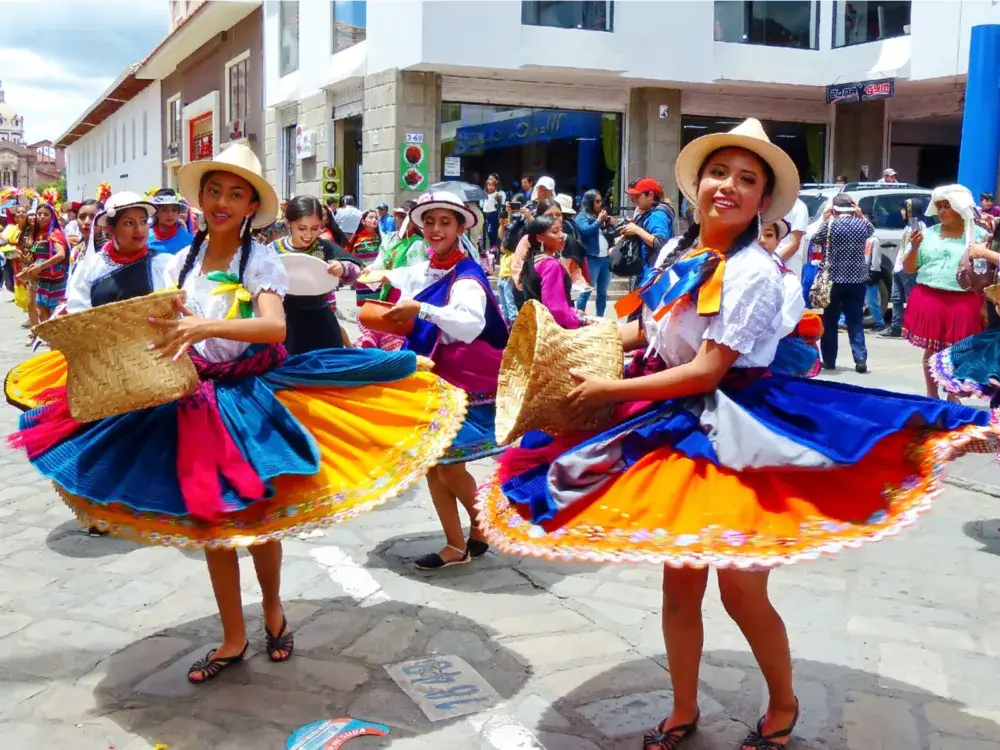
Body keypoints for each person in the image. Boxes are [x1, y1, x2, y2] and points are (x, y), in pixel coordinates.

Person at [475, 118, 1000, 750]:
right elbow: (646, 331)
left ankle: (783, 702)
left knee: (742, 591)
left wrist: (605, 392)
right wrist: (568, 350)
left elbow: (707, 368)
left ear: (761, 201)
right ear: (697, 184)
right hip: (667, 418)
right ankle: (682, 708)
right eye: (719, 173)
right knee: (678, 585)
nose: (728, 186)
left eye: (746, 179)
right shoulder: (678, 256)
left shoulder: (754, 272)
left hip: (736, 429)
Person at [7, 144, 468, 685]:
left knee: (258, 520)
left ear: (251, 206)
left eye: (236, 194)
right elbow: (166, 323)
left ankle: (272, 610)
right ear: (199, 198)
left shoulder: (261, 260)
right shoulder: (175, 261)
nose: (222, 201)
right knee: (211, 522)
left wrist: (204, 328)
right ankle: (232, 634)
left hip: (250, 397)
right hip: (190, 399)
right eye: (214, 190)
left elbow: (274, 327)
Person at [357, 192, 507, 570]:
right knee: (433, 465)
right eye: (430, 222)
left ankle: (482, 525)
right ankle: (458, 543)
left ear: (459, 227)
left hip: (465, 383)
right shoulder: (428, 267)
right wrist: (346, 272)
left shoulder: (467, 276)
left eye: (444, 222)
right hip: (434, 378)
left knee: (449, 465)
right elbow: (392, 278)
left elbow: (470, 325)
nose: (435, 229)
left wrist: (423, 308)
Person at [902, 184, 987, 399]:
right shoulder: (927, 234)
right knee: (932, 350)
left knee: (958, 353)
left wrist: (986, 304)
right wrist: (913, 247)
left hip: (965, 301)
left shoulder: (980, 236)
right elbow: (910, 268)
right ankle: (932, 396)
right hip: (930, 297)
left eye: (947, 207)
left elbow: (989, 274)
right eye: (939, 207)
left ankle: (952, 395)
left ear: (960, 209)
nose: (941, 212)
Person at [270, 195, 361, 351]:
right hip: (285, 322)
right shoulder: (273, 250)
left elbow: (357, 269)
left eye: (314, 228)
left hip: (321, 322)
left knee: (327, 369)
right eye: (302, 228)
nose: (308, 234)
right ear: (289, 223)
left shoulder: (325, 247)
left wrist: (342, 267)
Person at [812, 193, 874, 373]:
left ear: (834, 210)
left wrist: (824, 219)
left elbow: (816, 238)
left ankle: (830, 360)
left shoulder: (831, 224)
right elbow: (871, 230)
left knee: (830, 320)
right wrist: (860, 214)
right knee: (855, 320)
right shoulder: (862, 224)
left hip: (833, 280)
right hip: (857, 280)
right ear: (852, 208)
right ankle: (860, 358)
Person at [519, 215, 585, 329]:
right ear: (539, 238)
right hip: (553, 330)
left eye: (562, 231)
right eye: (555, 232)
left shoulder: (532, 259)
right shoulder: (551, 265)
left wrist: (573, 311)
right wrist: (580, 320)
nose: (562, 236)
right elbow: (556, 310)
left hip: (535, 326)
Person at [18, 193, 68, 332]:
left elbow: (61, 255)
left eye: (45, 214)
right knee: (42, 313)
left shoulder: (55, 233)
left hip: (55, 280)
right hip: (42, 280)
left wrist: (41, 266)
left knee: (55, 316)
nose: (41, 217)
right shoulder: (38, 234)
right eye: (39, 214)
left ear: (52, 216)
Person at [880, 200, 925, 339]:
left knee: (912, 299)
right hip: (899, 267)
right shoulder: (907, 227)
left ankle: (916, 328)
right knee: (896, 298)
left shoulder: (917, 226)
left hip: (909, 269)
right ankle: (896, 327)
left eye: (905, 209)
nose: (902, 212)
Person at [575, 189, 614, 317]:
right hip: (591, 259)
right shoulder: (582, 216)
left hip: (605, 259)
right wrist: (599, 221)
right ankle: (579, 317)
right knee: (586, 290)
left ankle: (600, 317)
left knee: (602, 291)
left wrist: (610, 223)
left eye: (600, 201)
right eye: (597, 201)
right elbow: (585, 230)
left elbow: (609, 233)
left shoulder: (599, 217)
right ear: (590, 202)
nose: (600, 204)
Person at [346, 209, 383, 304]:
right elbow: (352, 257)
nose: (374, 220)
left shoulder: (381, 237)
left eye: (376, 218)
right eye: (371, 217)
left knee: (377, 304)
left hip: (377, 276)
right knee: (365, 305)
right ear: (363, 221)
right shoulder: (357, 238)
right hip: (363, 275)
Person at [148, 188, 194, 255]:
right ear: (156, 212)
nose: (170, 214)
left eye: (174, 210)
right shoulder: (144, 238)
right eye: (164, 210)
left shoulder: (188, 240)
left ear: (178, 212)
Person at [775, 197, 809, 276]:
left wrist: (775, 262)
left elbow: (794, 245)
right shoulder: (772, 205)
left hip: (789, 265)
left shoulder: (799, 207)